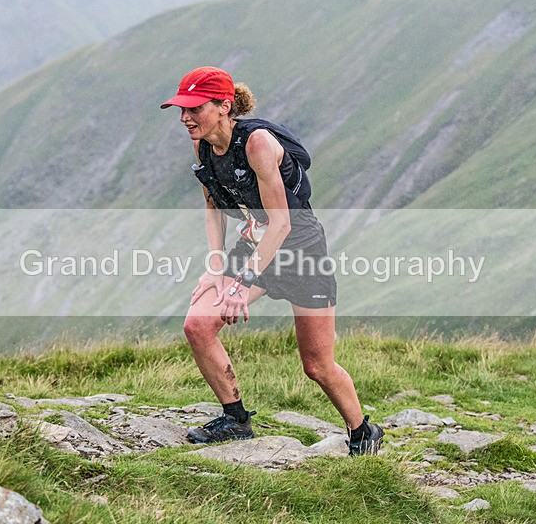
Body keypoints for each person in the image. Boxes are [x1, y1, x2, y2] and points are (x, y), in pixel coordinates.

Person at [160, 66, 383, 455]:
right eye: (181, 108)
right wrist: (215, 267)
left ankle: (363, 431)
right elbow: (212, 206)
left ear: (224, 106)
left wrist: (243, 282)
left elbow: (281, 222)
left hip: (300, 249)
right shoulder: (202, 146)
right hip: (255, 241)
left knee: (317, 365)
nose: (184, 117)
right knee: (198, 324)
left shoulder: (258, 143)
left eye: (194, 108)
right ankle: (235, 419)